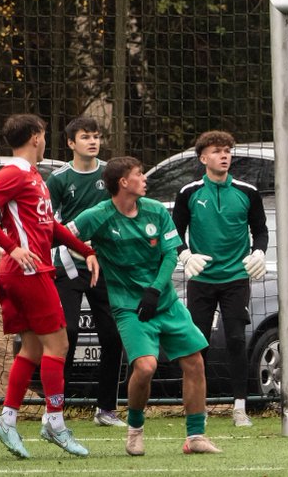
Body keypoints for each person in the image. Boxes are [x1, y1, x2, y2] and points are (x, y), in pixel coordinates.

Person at [69, 156, 220, 456]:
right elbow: (61, 234)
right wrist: (85, 253)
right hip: (128, 308)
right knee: (146, 366)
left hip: (165, 302)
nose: (144, 178)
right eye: (139, 174)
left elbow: (170, 254)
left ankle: (195, 436)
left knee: (195, 362)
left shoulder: (155, 211)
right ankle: (135, 429)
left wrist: (154, 290)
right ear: (124, 182)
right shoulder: (98, 215)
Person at [0, 113, 100, 459]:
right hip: (27, 271)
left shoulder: (34, 176)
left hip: (26, 271)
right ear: (35, 137)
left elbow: (50, 227)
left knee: (31, 349)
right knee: (58, 344)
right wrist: (13, 247)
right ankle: (54, 422)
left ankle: (8, 419)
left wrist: (85, 250)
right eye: (44, 135)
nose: (46, 141)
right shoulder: (14, 173)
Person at [172, 130, 269, 428]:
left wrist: (259, 253)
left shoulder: (247, 192)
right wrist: (186, 255)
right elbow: (174, 232)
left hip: (236, 277)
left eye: (227, 150)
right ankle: (196, 407)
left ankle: (239, 407)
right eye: (216, 151)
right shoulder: (189, 193)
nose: (224, 155)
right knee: (196, 342)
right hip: (201, 278)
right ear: (203, 158)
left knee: (237, 340)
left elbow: (261, 230)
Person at [46, 115, 127, 428]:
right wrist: (74, 240)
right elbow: (48, 223)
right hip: (68, 264)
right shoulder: (59, 180)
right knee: (67, 335)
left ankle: (106, 409)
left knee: (112, 335)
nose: (92, 141)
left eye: (96, 136)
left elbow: (121, 213)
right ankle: (56, 410)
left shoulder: (110, 174)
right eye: (85, 137)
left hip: (104, 266)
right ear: (70, 143)